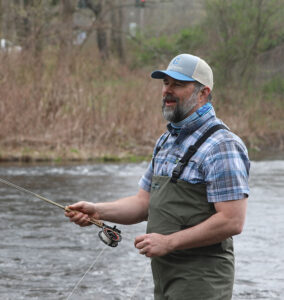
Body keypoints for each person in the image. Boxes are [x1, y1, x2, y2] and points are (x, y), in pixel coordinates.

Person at [65, 53, 250, 300]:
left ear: (203, 93)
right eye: (165, 83)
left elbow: (231, 221)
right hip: (164, 277)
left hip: (203, 280)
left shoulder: (222, 145)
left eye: (178, 84)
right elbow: (143, 204)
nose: (167, 91)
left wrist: (169, 242)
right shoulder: (165, 141)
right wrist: (97, 211)